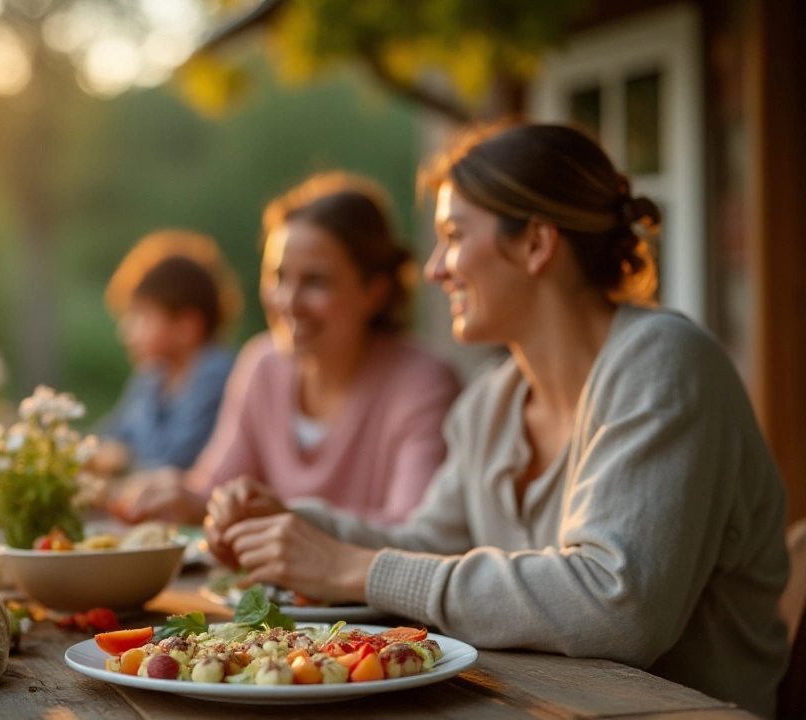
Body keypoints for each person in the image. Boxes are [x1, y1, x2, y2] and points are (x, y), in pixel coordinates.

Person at [205, 124, 789, 717]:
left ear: (536, 243)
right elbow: (428, 543)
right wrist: (291, 524)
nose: (435, 269)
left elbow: (619, 607)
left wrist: (355, 568)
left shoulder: (663, 362)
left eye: (454, 236)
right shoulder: (490, 402)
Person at [114, 172, 461, 525]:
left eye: (315, 281)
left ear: (376, 291)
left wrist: (284, 519)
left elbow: (416, 530)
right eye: (278, 277)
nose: (289, 302)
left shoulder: (421, 382)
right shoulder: (262, 365)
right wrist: (179, 496)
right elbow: (213, 490)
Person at [94, 230, 242, 474]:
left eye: (142, 318)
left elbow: (176, 464)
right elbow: (107, 437)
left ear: (187, 327)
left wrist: (121, 460)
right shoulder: (152, 378)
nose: (127, 333)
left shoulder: (216, 376)